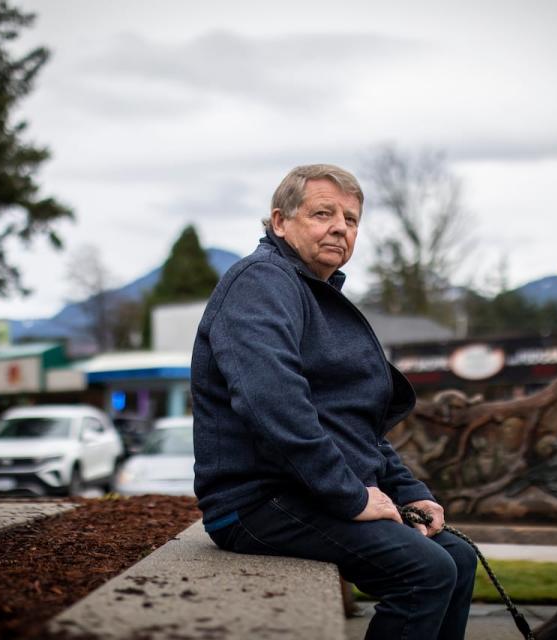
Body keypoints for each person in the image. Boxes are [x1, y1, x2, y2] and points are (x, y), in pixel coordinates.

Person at [191, 164, 476, 640]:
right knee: (425, 572)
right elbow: (272, 405)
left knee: (457, 558)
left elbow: (352, 426)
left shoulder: (313, 293)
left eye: (351, 219)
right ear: (279, 221)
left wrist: (409, 491)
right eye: (323, 213)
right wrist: (350, 495)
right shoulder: (260, 282)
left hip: (304, 492)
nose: (341, 227)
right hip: (255, 501)